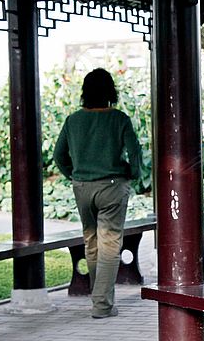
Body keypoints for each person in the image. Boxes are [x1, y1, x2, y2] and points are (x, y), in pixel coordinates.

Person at [52, 68, 145, 318]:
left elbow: (58, 155)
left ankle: (99, 298)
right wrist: (134, 172)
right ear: (110, 91)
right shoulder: (119, 119)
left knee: (91, 242)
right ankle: (102, 305)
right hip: (112, 187)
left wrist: (73, 174)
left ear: (85, 93)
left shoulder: (73, 120)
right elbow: (135, 153)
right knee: (110, 245)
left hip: (82, 188)